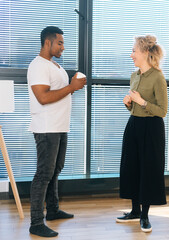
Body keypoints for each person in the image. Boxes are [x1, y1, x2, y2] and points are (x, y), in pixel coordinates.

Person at [27, 26, 86, 237]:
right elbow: (43, 97)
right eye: (59, 42)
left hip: (59, 126)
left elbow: (60, 90)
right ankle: (36, 223)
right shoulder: (38, 66)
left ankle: (52, 210)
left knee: (55, 170)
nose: (63, 46)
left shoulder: (55, 66)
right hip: (46, 128)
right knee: (44, 174)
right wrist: (72, 87)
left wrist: (74, 84)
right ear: (47, 43)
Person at [116, 35, 168, 232]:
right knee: (131, 168)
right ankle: (134, 211)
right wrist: (129, 104)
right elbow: (136, 107)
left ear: (145, 53)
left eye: (134, 52)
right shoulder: (135, 76)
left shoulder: (158, 77)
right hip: (134, 125)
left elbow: (162, 111)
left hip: (152, 129)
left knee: (148, 170)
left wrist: (141, 102)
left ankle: (145, 215)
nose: (131, 55)